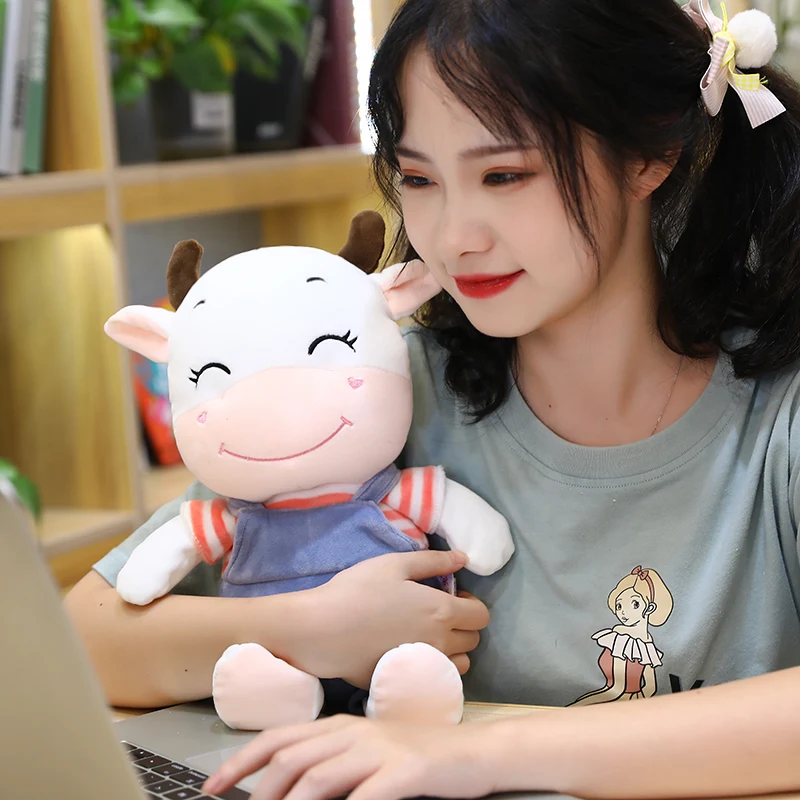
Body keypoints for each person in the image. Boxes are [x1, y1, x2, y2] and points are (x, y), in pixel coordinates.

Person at [66, 0, 800, 796]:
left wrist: (481, 754)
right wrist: (311, 630)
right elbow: (82, 634)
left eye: (504, 175)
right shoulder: (375, 396)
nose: (453, 237)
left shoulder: (779, 409)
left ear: (650, 155)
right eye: (418, 179)